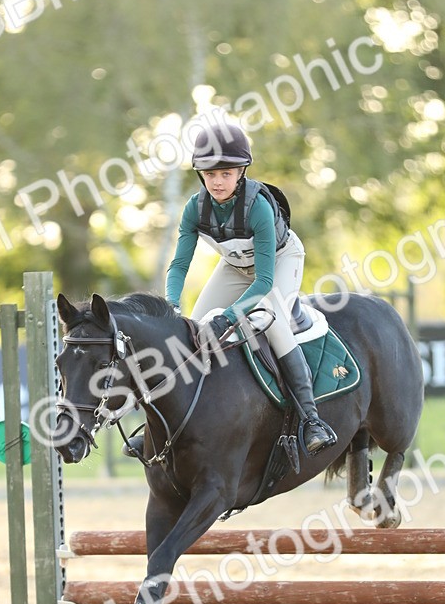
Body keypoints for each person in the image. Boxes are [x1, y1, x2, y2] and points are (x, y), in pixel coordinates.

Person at [125, 122, 337, 456]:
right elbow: (179, 266)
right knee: (190, 331)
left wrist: (227, 317)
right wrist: (171, 306)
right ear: (200, 176)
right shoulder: (194, 208)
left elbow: (264, 282)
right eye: (210, 175)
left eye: (226, 173)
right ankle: (154, 428)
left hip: (279, 262)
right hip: (235, 267)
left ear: (241, 172)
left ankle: (311, 420)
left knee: (274, 323)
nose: (218, 182)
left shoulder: (259, 207)